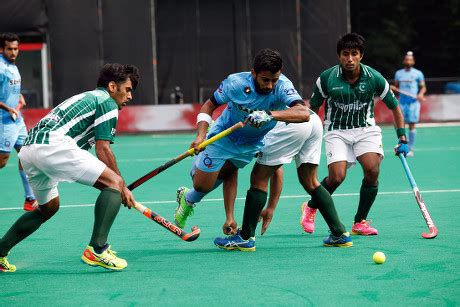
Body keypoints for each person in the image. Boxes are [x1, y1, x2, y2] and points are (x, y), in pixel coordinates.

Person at [0, 63, 139, 272]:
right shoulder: (107, 102)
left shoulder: (89, 97)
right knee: (114, 183)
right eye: (127, 89)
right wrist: (122, 187)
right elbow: (103, 149)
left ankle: (0, 250)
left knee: (48, 208)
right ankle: (98, 249)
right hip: (52, 145)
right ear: (112, 86)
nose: (130, 96)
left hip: (29, 149)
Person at [173, 48, 309, 232]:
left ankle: (219, 214)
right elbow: (209, 105)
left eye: (274, 80)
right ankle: (189, 194)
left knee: (229, 170)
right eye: (265, 80)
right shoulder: (235, 83)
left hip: (253, 142)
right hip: (225, 135)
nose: (270, 86)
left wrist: (270, 114)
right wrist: (200, 135)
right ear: (253, 73)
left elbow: (303, 113)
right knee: (201, 184)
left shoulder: (283, 86)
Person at [300, 33, 408, 237]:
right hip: (337, 130)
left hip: (365, 129)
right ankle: (311, 207)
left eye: (354, 54)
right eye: (345, 54)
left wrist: (402, 137)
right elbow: (312, 108)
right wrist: (307, 135)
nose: (349, 58)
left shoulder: (374, 78)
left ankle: (360, 222)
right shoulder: (326, 78)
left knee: (372, 170)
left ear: (361, 55)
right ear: (339, 56)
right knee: (337, 177)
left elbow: (395, 108)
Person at [215, 112, 353, 251]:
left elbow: (275, 170)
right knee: (310, 181)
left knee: (258, 178)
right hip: (312, 119)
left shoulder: (243, 114)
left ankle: (245, 238)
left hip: (288, 124)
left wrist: (270, 207)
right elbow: (276, 169)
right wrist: (270, 208)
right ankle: (339, 233)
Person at [0, 33, 38, 211]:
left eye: (16, 48)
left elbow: (11, 89)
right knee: (2, 162)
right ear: (2, 49)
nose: (14, 52)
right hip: (4, 122)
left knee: (27, 154)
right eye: (10, 49)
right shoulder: (0, 67)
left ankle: (30, 199)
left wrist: (19, 98)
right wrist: (9, 109)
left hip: (17, 120)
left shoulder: (13, 66)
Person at [393, 51, 426, 156]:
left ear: (413, 61)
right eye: (406, 59)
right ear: (404, 61)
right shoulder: (398, 73)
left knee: (412, 124)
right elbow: (396, 87)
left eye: (410, 59)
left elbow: (423, 87)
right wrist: (393, 88)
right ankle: (403, 143)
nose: (408, 61)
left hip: (413, 103)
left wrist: (420, 94)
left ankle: (410, 148)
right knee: (398, 124)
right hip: (402, 103)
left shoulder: (418, 73)